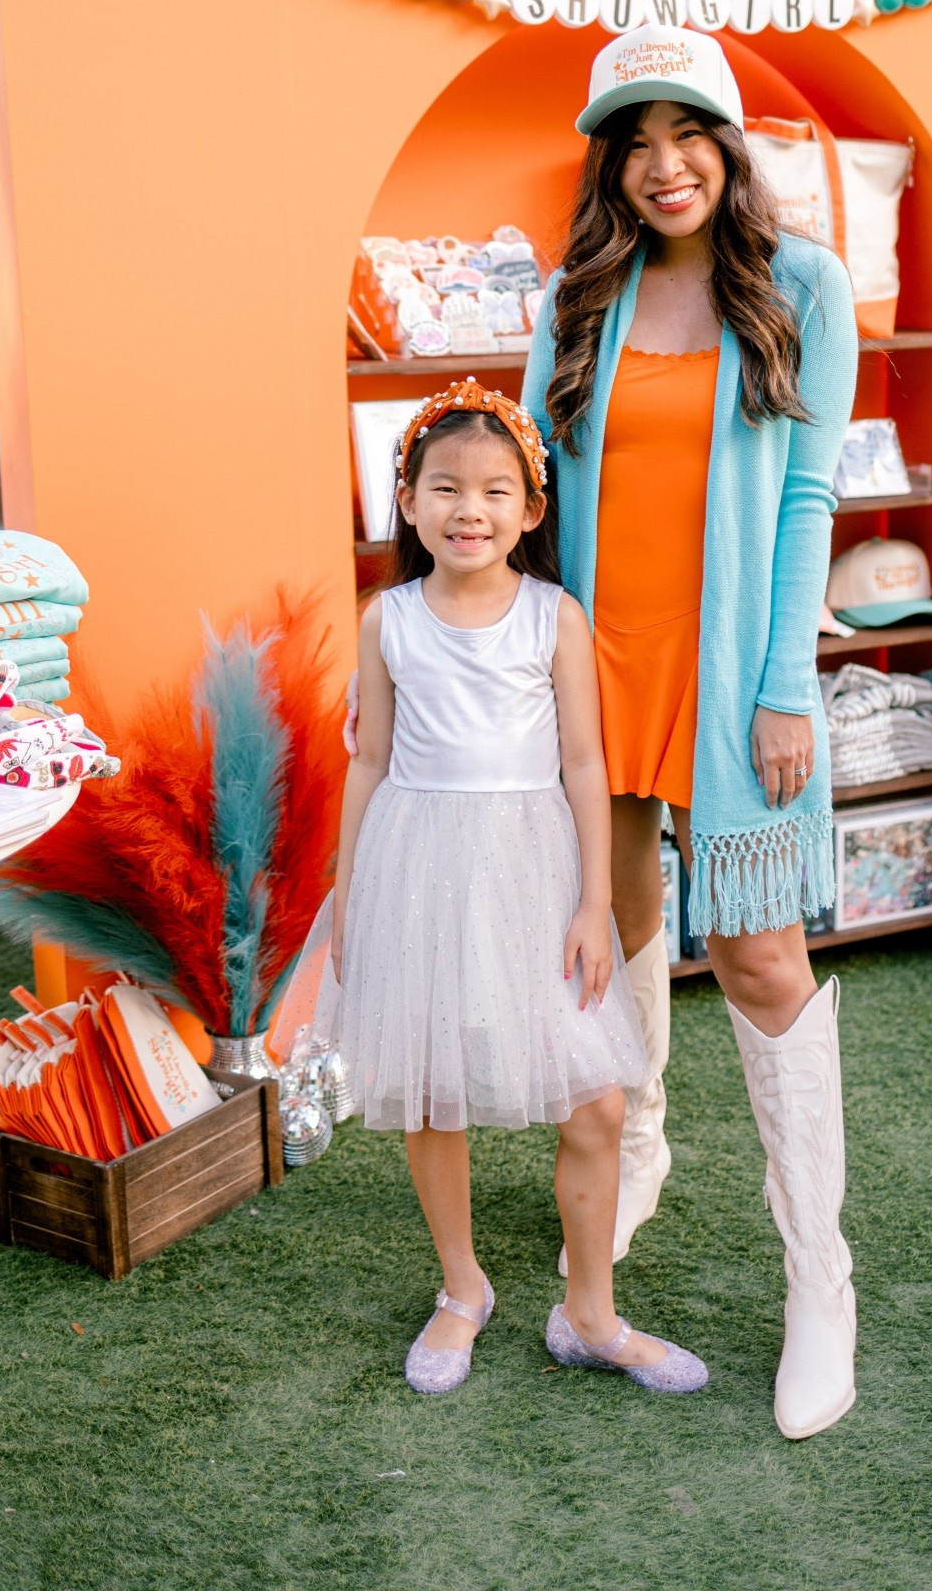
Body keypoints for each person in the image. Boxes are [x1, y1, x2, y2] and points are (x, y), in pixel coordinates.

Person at [521, 25, 860, 1441]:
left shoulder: (800, 286)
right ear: (613, 162)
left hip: (736, 686)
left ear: (728, 146)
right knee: (623, 925)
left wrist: (785, 685)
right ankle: (642, 1138)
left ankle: (816, 1277)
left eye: (689, 135)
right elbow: (534, 493)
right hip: (596, 676)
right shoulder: (576, 296)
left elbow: (805, 499)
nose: (664, 166)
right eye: (636, 142)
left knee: (766, 956)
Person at [333, 376, 707, 1398]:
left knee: (593, 1097)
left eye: (497, 491)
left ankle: (590, 1312)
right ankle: (463, 1286)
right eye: (445, 487)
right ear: (405, 500)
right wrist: (347, 888)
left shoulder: (553, 617)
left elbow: (584, 764)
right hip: (417, 863)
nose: (470, 509)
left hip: (536, 870)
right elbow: (367, 760)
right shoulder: (388, 619)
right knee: (431, 1084)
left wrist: (594, 898)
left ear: (532, 510)